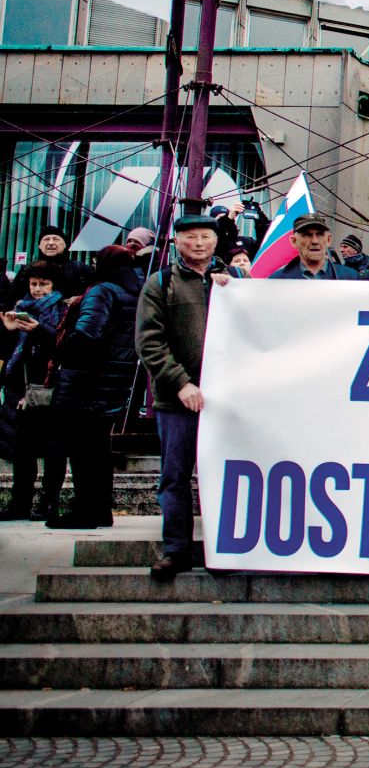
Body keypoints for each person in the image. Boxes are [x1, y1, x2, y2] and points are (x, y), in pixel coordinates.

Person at [135, 212, 231, 577]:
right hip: (178, 401)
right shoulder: (160, 284)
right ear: (177, 241)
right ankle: (176, 549)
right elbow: (149, 342)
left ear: (215, 241)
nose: (198, 243)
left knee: (225, 475)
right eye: (190, 236)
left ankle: (225, 548)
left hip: (226, 401)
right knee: (175, 477)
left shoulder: (234, 280)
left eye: (205, 236)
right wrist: (181, 383)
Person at [46, 246, 144, 531]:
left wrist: (59, 345)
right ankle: (100, 509)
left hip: (85, 382)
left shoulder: (103, 291)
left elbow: (88, 333)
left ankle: (85, 510)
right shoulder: (134, 292)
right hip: (113, 382)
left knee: (81, 449)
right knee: (98, 448)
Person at [0, 264, 69, 520]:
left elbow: (62, 344)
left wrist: (38, 330)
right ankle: (20, 504)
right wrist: (8, 331)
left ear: (54, 286)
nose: (38, 290)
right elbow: (9, 353)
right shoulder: (18, 309)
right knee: (21, 450)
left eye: (44, 284)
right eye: (34, 284)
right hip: (20, 386)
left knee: (53, 449)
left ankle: (48, 502)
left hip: (49, 386)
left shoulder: (63, 309)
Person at [269, 215, 363, 280]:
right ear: (294, 241)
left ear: (329, 239)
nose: (315, 241)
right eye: (307, 235)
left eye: (320, 234)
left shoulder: (350, 278)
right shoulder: (277, 281)